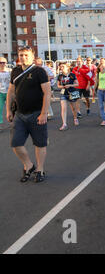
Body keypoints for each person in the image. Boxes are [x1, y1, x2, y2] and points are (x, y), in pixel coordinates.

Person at [6, 46, 51, 183]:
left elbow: (47, 93)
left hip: (37, 114)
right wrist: (8, 110)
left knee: (40, 144)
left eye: (26, 55)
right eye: (21, 55)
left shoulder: (39, 72)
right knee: (16, 144)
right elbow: (11, 92)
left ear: (32, 56)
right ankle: (29, 165)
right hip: (20, 114)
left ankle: (40, 170)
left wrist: (44, 113)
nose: (23, 57)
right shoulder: (15, 71)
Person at [57, 63, 80, 131]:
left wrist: (70, 85)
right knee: (63, 108)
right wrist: (63, 86)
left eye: (63, 66)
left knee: (73, 108)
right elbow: (58, 85)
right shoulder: (60, 76)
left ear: (67, 68)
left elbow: (77, 84)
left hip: (72, 93)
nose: (61, 68)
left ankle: (75, 118)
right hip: (63, 93)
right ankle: (64, 124)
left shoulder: (72, 75)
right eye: (60, 67)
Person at [0, 57, 10, 129]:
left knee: (11, 108)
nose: (2, 64)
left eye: (4, 62)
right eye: (0, 62)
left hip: (8, 93)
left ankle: (13, 123)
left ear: (6, 63)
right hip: (0, 93)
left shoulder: (9, 72)